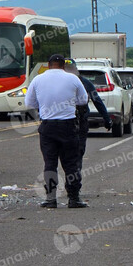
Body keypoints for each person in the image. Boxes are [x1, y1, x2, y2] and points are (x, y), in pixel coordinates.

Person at [25, 54, 89, 209]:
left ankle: (51, 198)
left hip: (48, 127)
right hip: (68, 126)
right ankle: (74, 198)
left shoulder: (38, 79)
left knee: (50, 163)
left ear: (48, 65)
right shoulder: (73, 79)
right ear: (63, 66)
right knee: (71, 164)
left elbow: (29, 103)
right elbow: (83, 100)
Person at [64, 58, 112, 168]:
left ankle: (74, 177)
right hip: (66, 123)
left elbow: (97, 101)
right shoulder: (58, 84)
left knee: (78, 151)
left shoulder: (84, 83)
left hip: (79, 121)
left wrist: (107, 119)